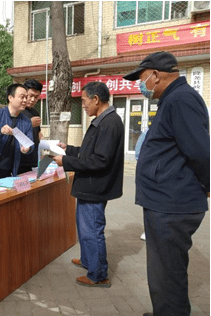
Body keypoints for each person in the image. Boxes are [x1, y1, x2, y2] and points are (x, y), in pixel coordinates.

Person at [123, 51, 210, 316]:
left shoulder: (181, 100)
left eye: (142, 79)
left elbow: (199, 151)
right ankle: (166, 310)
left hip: (172, 205)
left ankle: (170, 311)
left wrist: (207, 186)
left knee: (167, 274)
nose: (141, 86)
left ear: (156, 75)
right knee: (164, 271)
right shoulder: (173, 99)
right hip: (167, 201)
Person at [52, 81, 124, 288]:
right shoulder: (102, 120)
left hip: (95, 187)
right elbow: (90, 151)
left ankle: (98, 275)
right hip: (90, 186)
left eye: (84, 101)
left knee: (92, 230)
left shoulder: (109, 123)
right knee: (85, 228)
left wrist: (65, 162)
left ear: (96, 99)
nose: (82, 105)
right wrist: (69, 149)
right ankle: (88, 260)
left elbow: (100, 160)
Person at [17, 79, 43, 174]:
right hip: (19, 160)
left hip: (33, 159)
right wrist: (29, 123)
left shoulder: (35, 112)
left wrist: (45, 143)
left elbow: (38, 132)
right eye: (30, 96)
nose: (33, 100)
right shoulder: (17, 110)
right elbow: (12, 131)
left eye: (36, 97)